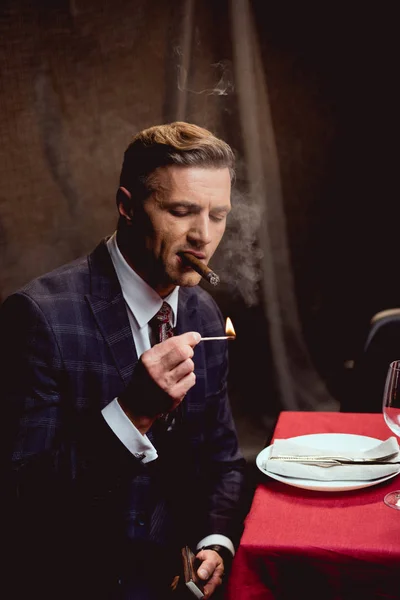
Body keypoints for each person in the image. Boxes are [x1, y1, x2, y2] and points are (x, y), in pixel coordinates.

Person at [1, 121, 247, 599]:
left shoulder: (203, 310)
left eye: (218, 214)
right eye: (181, 211)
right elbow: (21, 502)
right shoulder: (38, 318)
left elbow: (224, 462)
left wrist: (216, 540)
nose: (203, 235)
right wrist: (133, 412)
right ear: (127, 207)